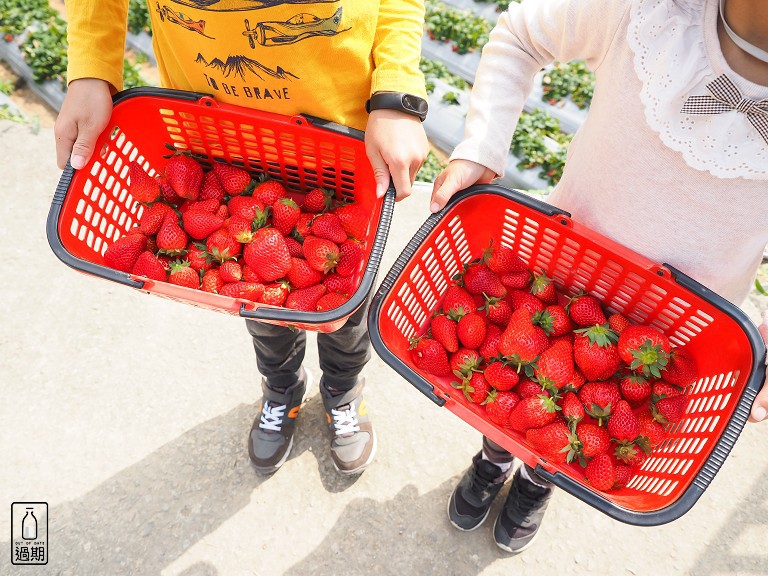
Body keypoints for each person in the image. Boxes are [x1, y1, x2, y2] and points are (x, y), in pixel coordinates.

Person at [429, 0, 768, 554]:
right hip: (561, 281)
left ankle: (542, 478)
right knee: (522, 393)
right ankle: (495, 456)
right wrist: (484, 146)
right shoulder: (645, 11)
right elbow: (520, 34)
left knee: (571, 427)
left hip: (679, 331)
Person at [54, 0, 430, 476]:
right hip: (217, 135)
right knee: (260, 305)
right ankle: (282, 385)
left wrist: (397, 91)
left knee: (345, 303)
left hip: (337, 136)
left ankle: (342, 387)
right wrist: (91, 66)